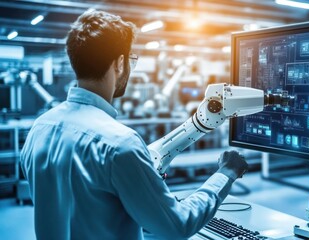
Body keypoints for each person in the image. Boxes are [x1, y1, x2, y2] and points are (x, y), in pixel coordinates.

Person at [20, 10, 248, 240]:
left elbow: (85, 207)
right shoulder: (120, 144)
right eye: (130, 60)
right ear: (120, 63)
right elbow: (178, 226)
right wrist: (226, 173)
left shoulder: (39, 129)